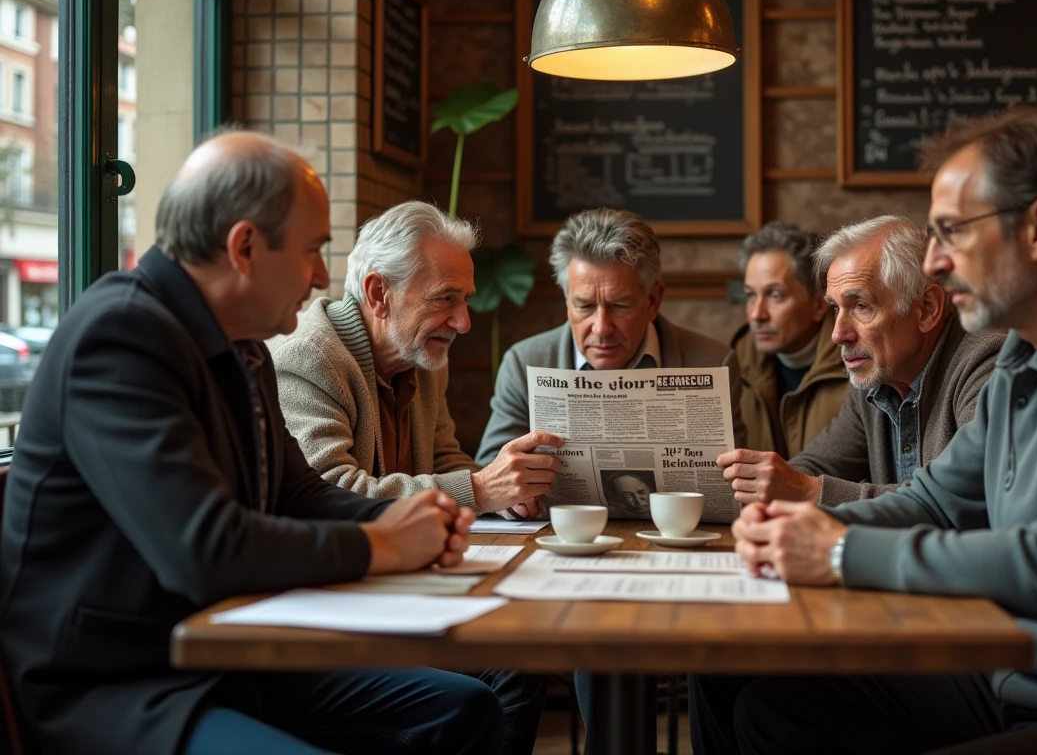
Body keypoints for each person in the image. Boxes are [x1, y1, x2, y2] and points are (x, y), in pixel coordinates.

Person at [696, 108, 1037, 754]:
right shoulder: (1025, 353)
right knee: (771, 702)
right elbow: (935, 501)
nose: (934, 261)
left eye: (952, 232)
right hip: (1013, 678)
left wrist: (840, 552)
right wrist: (798, 530)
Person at [0, 132, 503, 755]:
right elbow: (205, 548)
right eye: (312, 250)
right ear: (244, 247)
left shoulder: (242, 346)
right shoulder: (121, 334)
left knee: (465, 709)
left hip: (227, 657)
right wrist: (380, 542)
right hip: (119, 684)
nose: (323, 274)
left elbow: (298, 492)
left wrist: (411, 517)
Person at [268, 199, 557, 755]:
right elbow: (329, 490)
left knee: (522, 656)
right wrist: (478, 489)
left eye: (464, 300)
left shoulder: (421, 356)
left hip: (404, 588)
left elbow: (446, 460)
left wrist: (506, 496)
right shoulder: (306, 358)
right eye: (445, 299)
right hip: (334, 608)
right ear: (378, 293)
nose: (463, 322)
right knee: (506, 667)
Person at [476, 207, 747, 523]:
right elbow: (489, 472)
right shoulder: (525, 362)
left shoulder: (713, 363)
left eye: (619, 305)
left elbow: (733, 485)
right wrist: (509, 500)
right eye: (585, 306)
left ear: (653, 301)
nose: (601, 327)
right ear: (567, 302)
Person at [719, 216, 1003, 508]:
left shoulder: (987, 364)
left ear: (926, 309)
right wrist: (764, 486)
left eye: (861, 306)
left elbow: (959, 498)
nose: (838, 334)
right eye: (836, 308)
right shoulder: (876, 377)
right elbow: (814, 467)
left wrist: (809, 492)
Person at [732, 221, 847, 457]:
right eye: (751, 296)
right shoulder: (735, 363)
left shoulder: (858, 364)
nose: (756, 314)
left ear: (819, 304)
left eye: (775, 295)